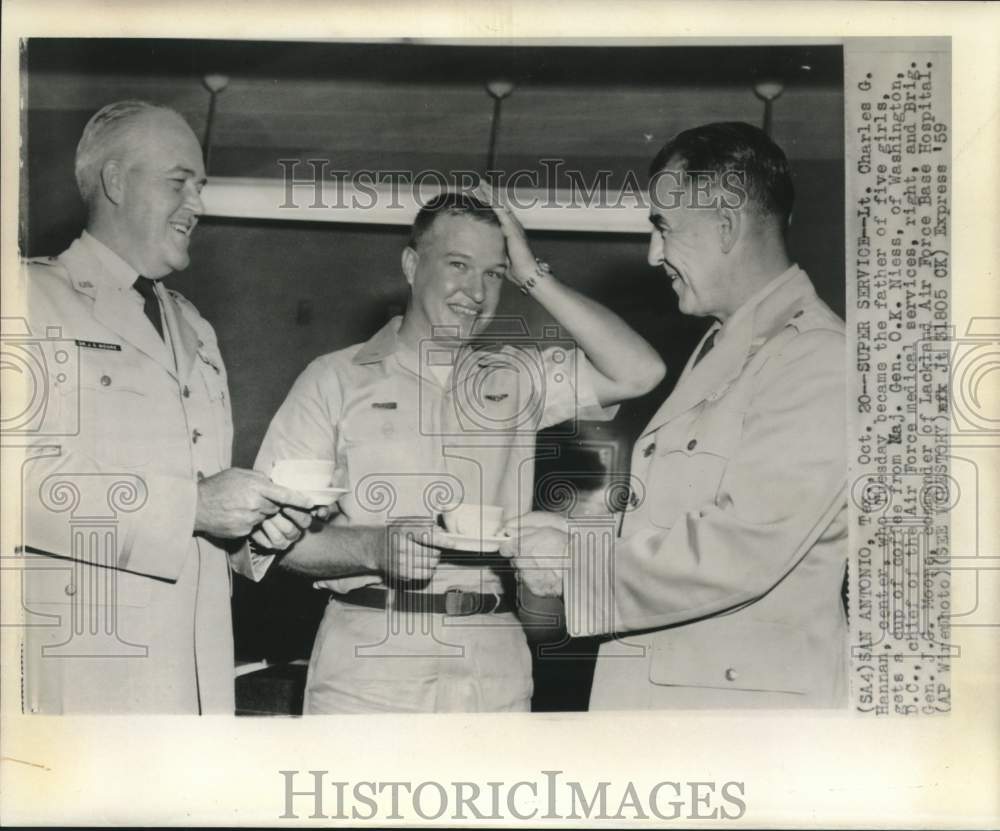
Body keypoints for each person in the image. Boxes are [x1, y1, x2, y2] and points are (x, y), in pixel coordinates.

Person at [253, 189, 666, 713]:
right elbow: (272, 539)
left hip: (492, 655)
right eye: (458, 265)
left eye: (493, 273)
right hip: (371, 655)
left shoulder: (520, 376)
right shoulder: (333, 379)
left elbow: (639, 371)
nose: (476, 291)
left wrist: (532, 275)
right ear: (411, 264)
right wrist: (372, 549)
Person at [503, 122, 848, 709]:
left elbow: (742, 547)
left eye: (662, 227)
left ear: (725, 226)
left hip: (742, 724)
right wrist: (573, 535)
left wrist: (575, 564)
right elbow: (678, 517)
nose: (653, 253)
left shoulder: (819, 356)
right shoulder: (727, 344)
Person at [17, 100, 314, 714]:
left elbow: (202, 508)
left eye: (200, 187)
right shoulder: (26, 300)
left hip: (199, 675)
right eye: (180, 183)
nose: (197, 205)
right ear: (117, 182)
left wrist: (253, 533)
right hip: (90, 679)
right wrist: (195, 507)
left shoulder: (194, 327)